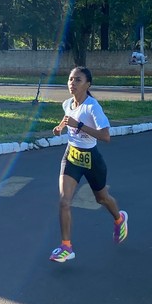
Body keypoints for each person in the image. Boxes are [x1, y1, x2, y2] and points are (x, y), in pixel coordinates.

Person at [49, 66, 128, 263]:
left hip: (92, 158)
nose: (72, 83)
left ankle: (119, 219)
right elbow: (68, 118)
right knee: (64, 201)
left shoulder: (93, 107)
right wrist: (59, 128)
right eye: (70, 79)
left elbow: (106, 136)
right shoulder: (68, 103)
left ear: (88, 84)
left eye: (77, 80)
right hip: (71, 156)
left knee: (101, 198)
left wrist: (80, 126)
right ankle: (66, 246)